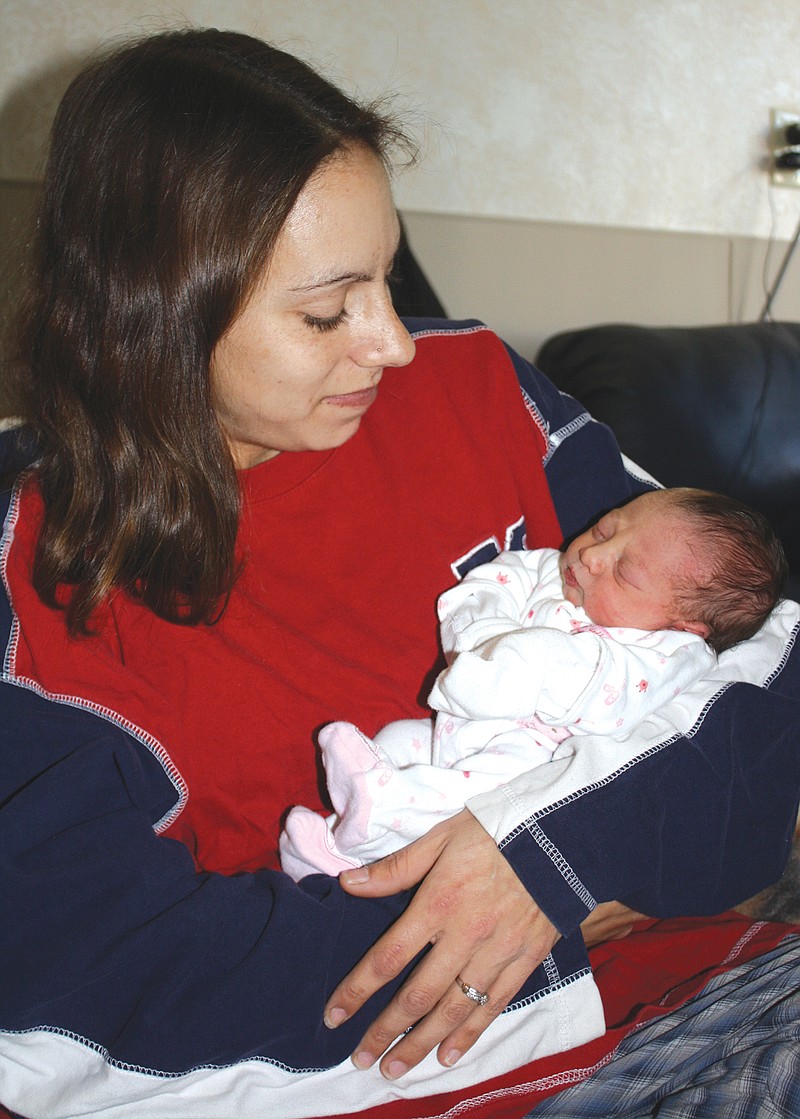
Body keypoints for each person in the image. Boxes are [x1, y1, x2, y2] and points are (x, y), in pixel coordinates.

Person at [1, 26, 799, 1119]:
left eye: (386, 275)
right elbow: (74, 995)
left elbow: (767, 653)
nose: (393, 344)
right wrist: (560, 908)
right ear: (154, 312)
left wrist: (563, 858)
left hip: (693, 980)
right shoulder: (39, 582)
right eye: (328, 310)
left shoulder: (481, 392)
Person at [281, 487, 787, 880]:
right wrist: (484, 640)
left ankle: (354, 837)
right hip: (459, 725)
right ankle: (348, 833)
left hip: (536, 762)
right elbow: (474, 595)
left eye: (625, 573)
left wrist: (526, 661)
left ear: (684, 625)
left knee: (461, 801)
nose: (592, 555)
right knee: (397, 741)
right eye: (606, 530)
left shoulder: (672, 655)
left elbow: (610, 694)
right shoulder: (548, 569)